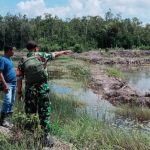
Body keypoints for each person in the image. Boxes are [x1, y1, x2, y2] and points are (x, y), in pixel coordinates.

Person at [17, 41, 72, 147]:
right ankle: (45, 137)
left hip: (30, 91)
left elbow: (19, 78)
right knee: (44, 113)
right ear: (36, 48)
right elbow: (54, 54)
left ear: (27, 49)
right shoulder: (41, 55)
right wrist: (64, 51)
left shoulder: (22, 60)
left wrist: (19, 93)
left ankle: (29, 136)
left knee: (30, 113)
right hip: (43, 89)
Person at [0, 46, 17, 128]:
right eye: (13, 50)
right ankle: (2, 120)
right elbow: (0, 73)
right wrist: (5, 84)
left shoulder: (10, 59)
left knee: (12, 101)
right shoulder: (2, 59)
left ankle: (8, 120)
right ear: (9, 51)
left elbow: (10, 70)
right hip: (8, 84)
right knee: (7, 100)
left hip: (14, 83)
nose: (14, 52)